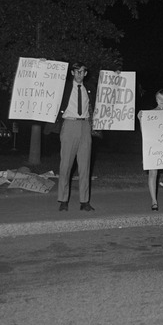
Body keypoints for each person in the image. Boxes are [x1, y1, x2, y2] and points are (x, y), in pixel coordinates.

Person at [51, 61, 99, 212]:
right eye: (76, 71)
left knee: (85, 166)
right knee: (65, 165)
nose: (79, 74)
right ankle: (63, 200)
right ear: (72, 73)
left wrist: (117, 76)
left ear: (85, 73)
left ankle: (84, 201)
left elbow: (107, 97)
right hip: (69, 125)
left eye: (82, 71)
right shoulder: (63, 87)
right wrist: (42, 65)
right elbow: (48, 83)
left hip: (85, 126)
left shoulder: (90, 88)